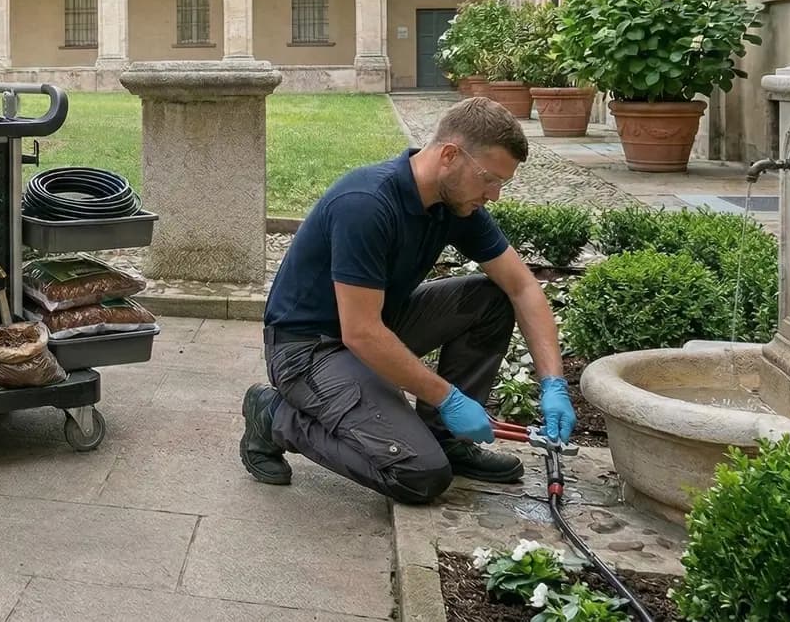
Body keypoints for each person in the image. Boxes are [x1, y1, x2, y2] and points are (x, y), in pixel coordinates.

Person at [239, 96, 574, 505]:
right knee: (419, 476)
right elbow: (361, 333)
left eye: (501, 184)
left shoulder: (453, 206)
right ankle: (274, 415)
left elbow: (522, 287)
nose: (495, 195)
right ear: (450, 155)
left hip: (374, 326)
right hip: (307, 350)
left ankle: (446, 438)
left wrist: (554, 384)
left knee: (492, 298)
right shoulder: (366, 204)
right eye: (489, 179)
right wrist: (447, 397)